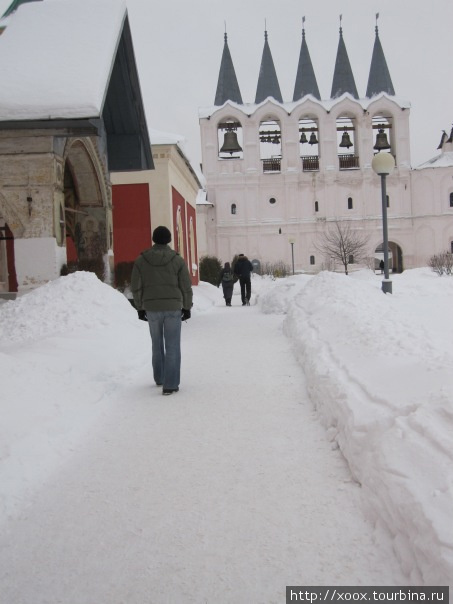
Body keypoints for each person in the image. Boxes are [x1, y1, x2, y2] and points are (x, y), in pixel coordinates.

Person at [131, 226, 193, 396]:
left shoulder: (141, 260)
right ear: (169, 239)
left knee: (156, 344)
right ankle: (170, 384)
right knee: (172, 345)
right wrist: (187, 306)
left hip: (151, 307)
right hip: (173, 307)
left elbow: (135, 286)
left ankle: (159, 377)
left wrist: (140, 307)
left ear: (153, 239)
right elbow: (185, 286)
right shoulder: (177, 260)